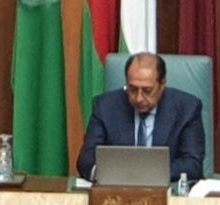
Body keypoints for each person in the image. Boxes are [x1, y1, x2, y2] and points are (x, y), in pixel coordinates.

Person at [76, 53, 204, 182]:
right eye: (132, 89)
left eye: (147, 91)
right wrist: (108, 174)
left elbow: (193, 164)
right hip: (118, 188)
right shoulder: (105, 106)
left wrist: (142, 174)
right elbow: (86, 161)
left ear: (162, 85)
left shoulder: (187, 108)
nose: (139, 98)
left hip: (167, 189)